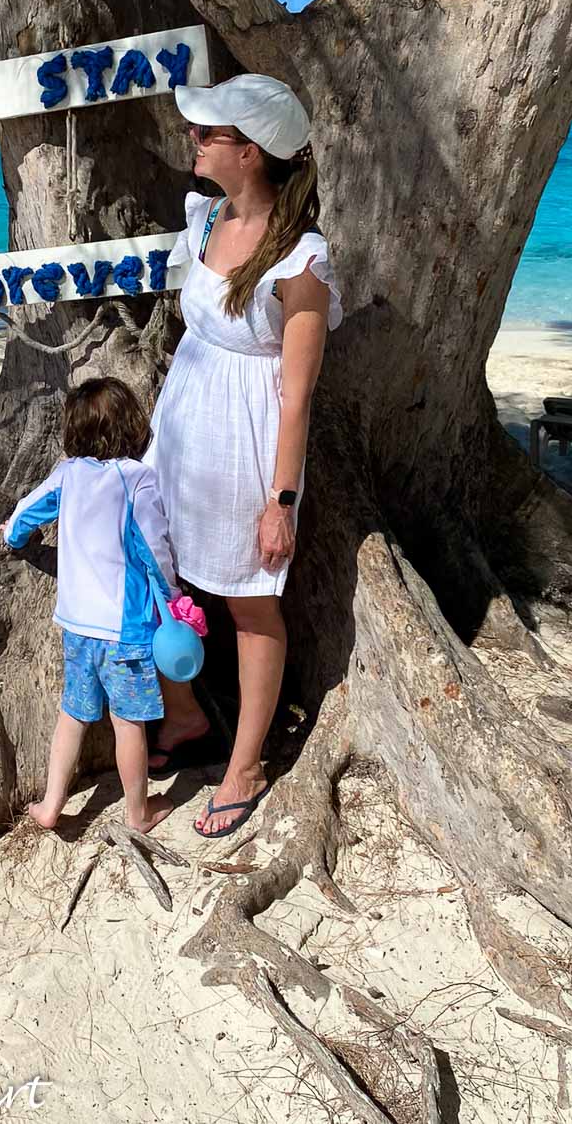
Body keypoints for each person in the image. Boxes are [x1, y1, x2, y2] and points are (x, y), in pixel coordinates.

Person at [145, 74, 342, 838]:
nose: (192, 140)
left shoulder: (301, 261)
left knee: (249, 604)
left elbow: (297, 395)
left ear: (250, 151)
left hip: (247, 448)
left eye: (207, 133)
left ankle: (246, 763)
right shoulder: (205, 221)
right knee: (167, 575)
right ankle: (189, 713)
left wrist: (280, 500)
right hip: (183, 431)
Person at [4, 377, 178, 833]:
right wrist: (175, 600)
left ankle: (49, 805)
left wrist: (13, 536)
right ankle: (138, 812)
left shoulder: (68, 474)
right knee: (128, 724)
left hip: (77, 624)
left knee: (73, 714)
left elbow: (25, 513)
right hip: (126, 629)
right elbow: (154, 549)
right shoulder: (138, 479)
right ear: (133, 427)